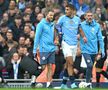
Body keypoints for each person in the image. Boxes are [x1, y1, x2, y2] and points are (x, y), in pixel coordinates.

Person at [56, 4, 87, 89]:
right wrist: (58, 35)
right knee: (71, 62)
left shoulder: (77, 19)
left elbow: (80, 29)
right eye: (65, 9)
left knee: (68, 64)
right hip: (65, 43)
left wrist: (83, 36)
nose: (66, 11)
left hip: (74, 44)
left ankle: (63, 84)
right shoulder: (62, 18)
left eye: (68, 10)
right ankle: (73, 83)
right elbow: (56, 27)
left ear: (73, 11)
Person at [80, 11, 105, 88]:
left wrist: (102, 51)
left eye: (91, 15)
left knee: (90, 67)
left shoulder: (97, 26)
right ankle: (87, 83)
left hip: (94, 51)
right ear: (85, 16)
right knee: (90, 65)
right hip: (85, 50)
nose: (90, 17)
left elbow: (100, 39)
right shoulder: (81, 25)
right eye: (88, 16)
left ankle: (88, 82)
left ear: (93, 16)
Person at [33, 9, 56, 88]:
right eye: (50, 15)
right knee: (43, 67)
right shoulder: (41, 24)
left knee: (50, 66)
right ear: (46, 15)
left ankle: (49, 84)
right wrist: (34, 49)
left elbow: (54, 36)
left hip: (52, 49)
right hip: (43, 49)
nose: (51, 17)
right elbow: (37, 37)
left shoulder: (53, 25)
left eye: (52, 15)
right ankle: (34, 78)